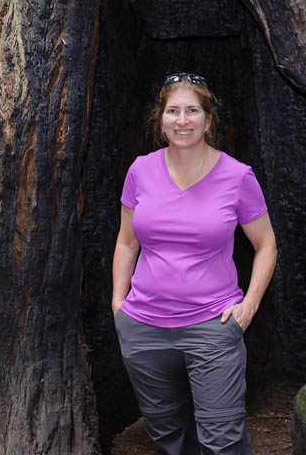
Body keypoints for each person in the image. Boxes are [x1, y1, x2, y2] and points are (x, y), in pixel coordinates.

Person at [111, 72, 277, 455]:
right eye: (173, 111)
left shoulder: (237, 177)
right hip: (143, 328)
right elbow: (126, 240)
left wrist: (249, 305)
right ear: (161, 119)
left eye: (191, 111)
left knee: (223, 439)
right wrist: (119, 303)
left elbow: (266, 244)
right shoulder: (140, 171)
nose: (181, 120)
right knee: (168, 436)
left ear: (207, 119)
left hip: (212, 326)